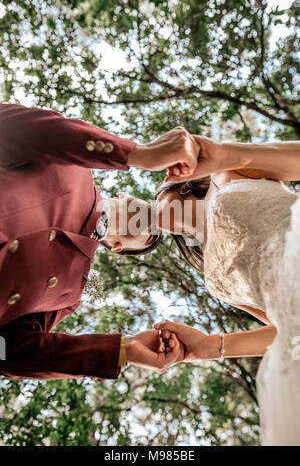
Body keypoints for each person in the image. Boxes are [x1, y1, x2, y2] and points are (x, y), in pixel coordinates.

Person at [103, 135, 300, 445]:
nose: (151, 211)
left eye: (154, 202)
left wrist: (223, 153)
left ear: (177, 185)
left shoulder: (227, 173)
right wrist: (209, 346)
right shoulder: (214, 276)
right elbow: (286, 333)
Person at [0, 103, 198, 380]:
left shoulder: (69, 293)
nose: (153, 223)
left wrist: (122, 351)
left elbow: (7, 352)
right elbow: (11, 125)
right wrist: (136, 154)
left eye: (151, 235)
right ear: (124, 195)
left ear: (118, 246)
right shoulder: (74, 160)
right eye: (152, 215)